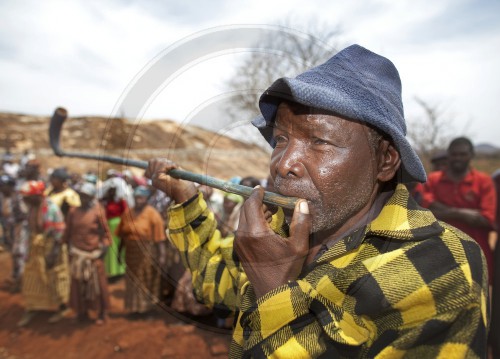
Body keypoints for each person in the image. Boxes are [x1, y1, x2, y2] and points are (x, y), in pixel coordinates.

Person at [145, 44, 488, 357]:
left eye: (319, 141)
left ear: (384, 160)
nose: (283, 163)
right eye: (280, 139)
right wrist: (186, 200)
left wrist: (274, 291)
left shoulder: (441, 267)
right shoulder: (281, 228)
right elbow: (216, 279)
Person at [421, 137, 496, 284]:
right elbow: (424, 212)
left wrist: (441, 211)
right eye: (454, 154)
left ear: (471, 155)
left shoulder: (483, 182)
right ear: (448, 155)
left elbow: (487, 219)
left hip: (476, 253)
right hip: (439, 253)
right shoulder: (433, 180)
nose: (458, 158)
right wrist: (463, 213)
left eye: (462, 154)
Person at [17, 180, 70, 326]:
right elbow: (30, 230)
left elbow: (59, 233)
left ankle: (62, 307)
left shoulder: (51, 208)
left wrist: (52, 254)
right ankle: (33, 306)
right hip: (36, 247)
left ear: (36, 196)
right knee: (32, 276)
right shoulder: (32, 207)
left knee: (54, 276)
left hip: (52, 247)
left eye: (27, 197)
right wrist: (27, 251)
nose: (24, 199)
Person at [63, 183, 111, 325]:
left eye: (86, 196)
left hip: (93, 255)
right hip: (78, 255)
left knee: (98, 285)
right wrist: (64, 244)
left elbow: (105, 233)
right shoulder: (73, 212)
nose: (83, 199)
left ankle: (102, 312)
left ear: (91, 197)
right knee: (78, 285)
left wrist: (104, 248)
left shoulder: (98, 211)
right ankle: (81, 311)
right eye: (81, 196)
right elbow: (67, 232)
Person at [116, 186, 166, 316]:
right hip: (130, 253)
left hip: (147, 253)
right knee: (132, 280)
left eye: (141, 198)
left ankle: (147, 309)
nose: (138, 200)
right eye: (136, 197)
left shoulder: (152, 214)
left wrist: (162, 256)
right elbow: (122, 235)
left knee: (145, 279)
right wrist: (119, 252)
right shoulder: (128, 213)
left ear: (147, 199)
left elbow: (159, 239)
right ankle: (134, 308)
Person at [0, 174, 28, 291]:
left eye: (3, 186)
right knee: (14, 253)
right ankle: (17, 278)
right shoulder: (2, 198)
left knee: (19, 253)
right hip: (9, 230)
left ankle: (21, 282)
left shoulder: (18, 198)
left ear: (10, 186)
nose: (2, 188)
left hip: (20, 229)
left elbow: (24, 215)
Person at [99, 176, 128, 279]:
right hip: (108, 225)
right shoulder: (106, 201)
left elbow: (126, 213)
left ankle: (120, 270)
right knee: (110, 248)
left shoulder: (120, 201)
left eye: (113, 190)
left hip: (118, 225)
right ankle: (112, 271)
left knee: (119, 247)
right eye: (110, 190)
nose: (111, 192)